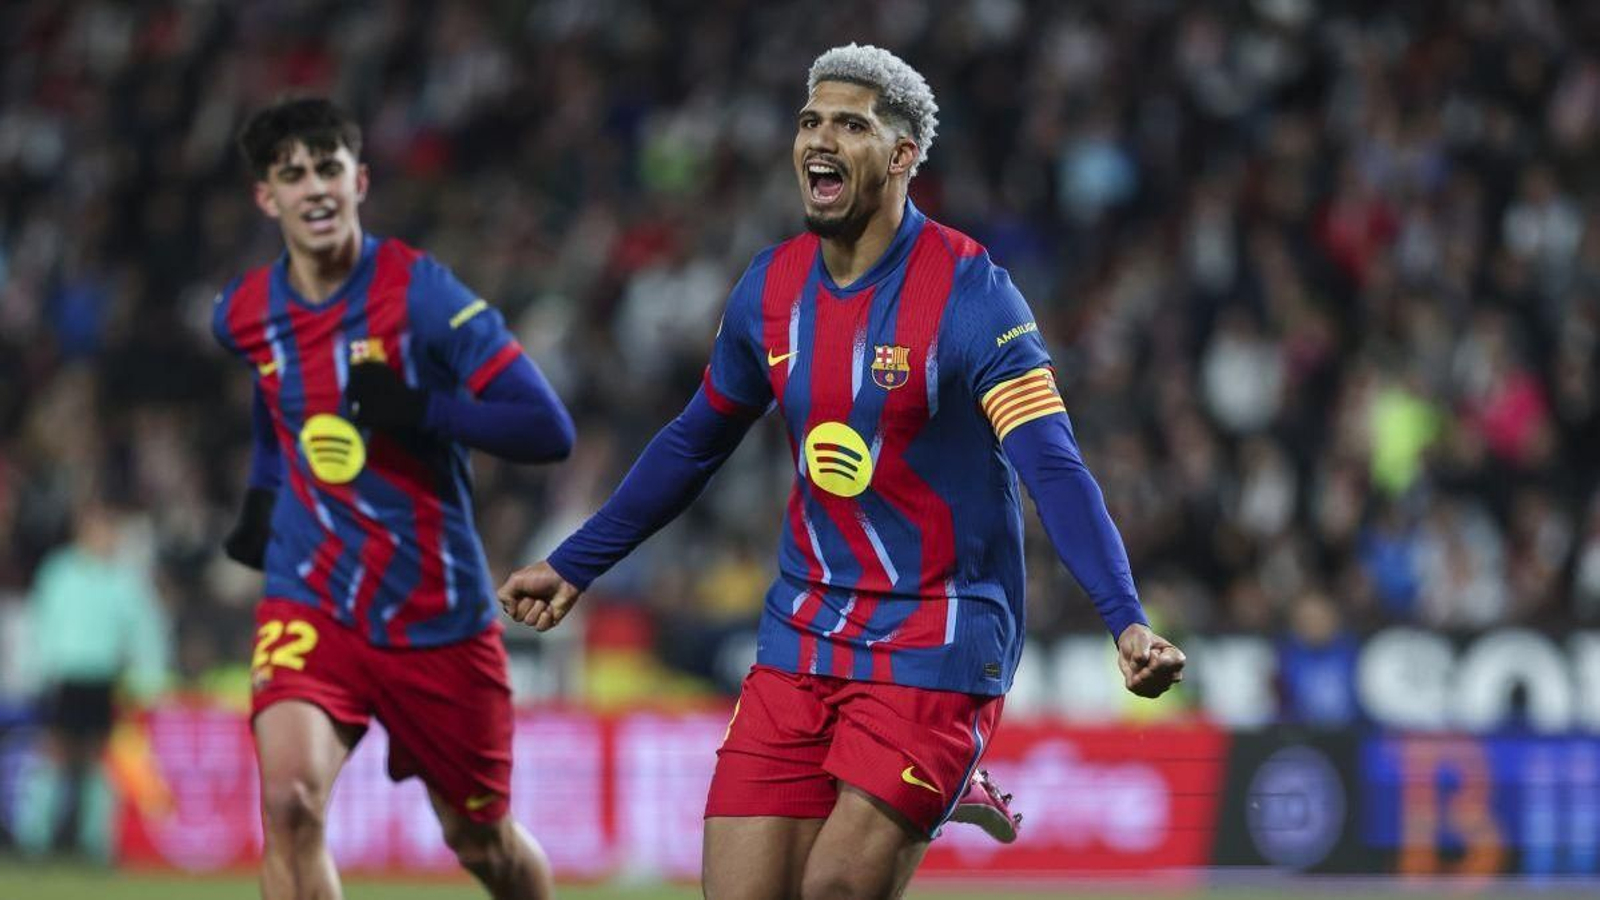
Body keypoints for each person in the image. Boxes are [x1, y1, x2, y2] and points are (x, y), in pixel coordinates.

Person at [499, 44, 1185, 898]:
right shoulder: (771, 288)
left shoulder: (975, 296)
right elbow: (694, 441)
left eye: (850, 124)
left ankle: (940, 760)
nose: (820, 138)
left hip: (941, 630)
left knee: (832, 891)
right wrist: (576, 561)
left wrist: (1123, 617)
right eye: (810, 121)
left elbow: (1052, 466)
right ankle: (941, 784)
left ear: (901, 156)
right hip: (806, 627)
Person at [214, 97, 573, 900]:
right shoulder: (242, 313)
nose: (314, 188)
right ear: (266, 197)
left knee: (482, 844)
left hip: (434, 616)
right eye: (292, 173)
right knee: (291, 802)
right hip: (311, 599)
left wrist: (424, 411)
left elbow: (549, 429)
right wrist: (265, 495)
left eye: (329, 169)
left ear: (360, 181)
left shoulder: (422, 294)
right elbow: (274, 400)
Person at [18, 496, 168, 863]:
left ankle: (95, 842)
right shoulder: (59, 572)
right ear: (82, 533)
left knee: (100, 758)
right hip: (66, 674)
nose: (105, 537)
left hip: (103, 676)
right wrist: (39, 671)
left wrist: (147, 679)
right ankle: (33, 839)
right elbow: (42, 623)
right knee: (55, 753)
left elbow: (143, 631)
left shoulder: (123, 580)